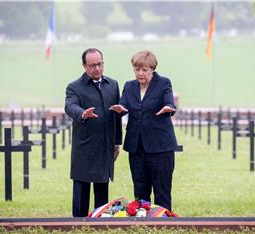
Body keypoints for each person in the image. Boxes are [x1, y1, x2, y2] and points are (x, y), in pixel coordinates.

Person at [110, 50, 178, 211]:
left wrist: (169, 108)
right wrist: (120, 109)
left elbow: (170, 103)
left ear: (152, 69)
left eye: (144, 70)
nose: (140, 73)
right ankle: (142, 219)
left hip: (161, 147)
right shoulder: (129, 86)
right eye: (136, 69)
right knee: (140, 188)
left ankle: (163, 222)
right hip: (136, 146)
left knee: (162, 188)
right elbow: (124, 105)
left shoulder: (163, 83)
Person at [65, 48, 122, 217]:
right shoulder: (74, 87)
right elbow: (70, 106)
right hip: (84, 148)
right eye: (92, 66)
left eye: (100, 64)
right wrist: (82, 113)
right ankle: (79, 225)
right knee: (81, 191)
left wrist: (117, 143)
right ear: (84, 66)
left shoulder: (113, 85)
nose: (97, 69)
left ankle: (100, 224)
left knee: (102, 194)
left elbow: (116, 117)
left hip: (105, 147)